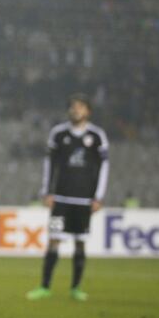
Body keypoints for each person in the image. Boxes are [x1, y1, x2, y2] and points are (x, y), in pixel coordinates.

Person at [26, 94, 109, 301]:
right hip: (61, 198)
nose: (75, 110)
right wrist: (46, 191)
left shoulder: (97, 136)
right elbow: (49, 164)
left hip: (84, 200)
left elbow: (104, 167)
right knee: (53, 241)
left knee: (80, 243)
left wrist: (98, 196)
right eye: (72, 107)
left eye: (80, 107)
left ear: (88, 111)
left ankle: (76, 288)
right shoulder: (58, 134)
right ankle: (45, 287)